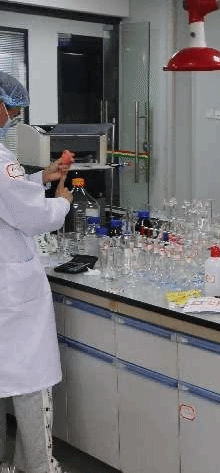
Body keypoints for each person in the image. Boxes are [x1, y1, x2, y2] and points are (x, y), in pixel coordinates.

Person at [0, 72, 73, 473]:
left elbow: (7, 198)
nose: (14, 117)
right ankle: (39, 467)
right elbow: (31, 216)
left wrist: (38, 178)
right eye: (11, 109)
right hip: (11, 291)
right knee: (31, 381)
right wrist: (61, 201)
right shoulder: (0, 161)